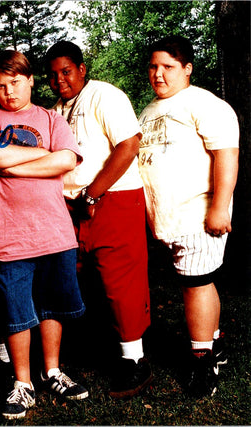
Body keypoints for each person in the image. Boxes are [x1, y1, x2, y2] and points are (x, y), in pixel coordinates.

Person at [0, 50, 88, 420]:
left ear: (31, 80)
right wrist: (42, 156)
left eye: (15, 82)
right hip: (9, 235)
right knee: (16, 310)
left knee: (54, 304)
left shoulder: (51, 118)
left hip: (54, 230)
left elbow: (67, 160)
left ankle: (52, 370)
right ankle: (22, 382)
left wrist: (17, 161)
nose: (8, 91)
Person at [45, 41, 153, 398]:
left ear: (82, 68)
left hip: (112, 196)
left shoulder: (105, 96)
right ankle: (98, 349)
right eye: (53, 74)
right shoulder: (54, 109)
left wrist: (93, 193)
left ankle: (135, 359)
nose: (60, 79)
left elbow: (128, 145)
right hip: (72, 202)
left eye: (67, 71)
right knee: (80, 277)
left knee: (121, 277)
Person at [138, 35, 239, 398]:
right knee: (193, 283)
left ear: (187, 69)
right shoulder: (149, 109)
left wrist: (219, 206)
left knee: (197, 284)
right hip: (168, 217)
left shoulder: (204, 103)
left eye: (167, 67)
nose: (158, 74)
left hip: (198, 212)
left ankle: (203, 362)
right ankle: (215, 343)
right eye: (153, 66)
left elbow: (227, 154)